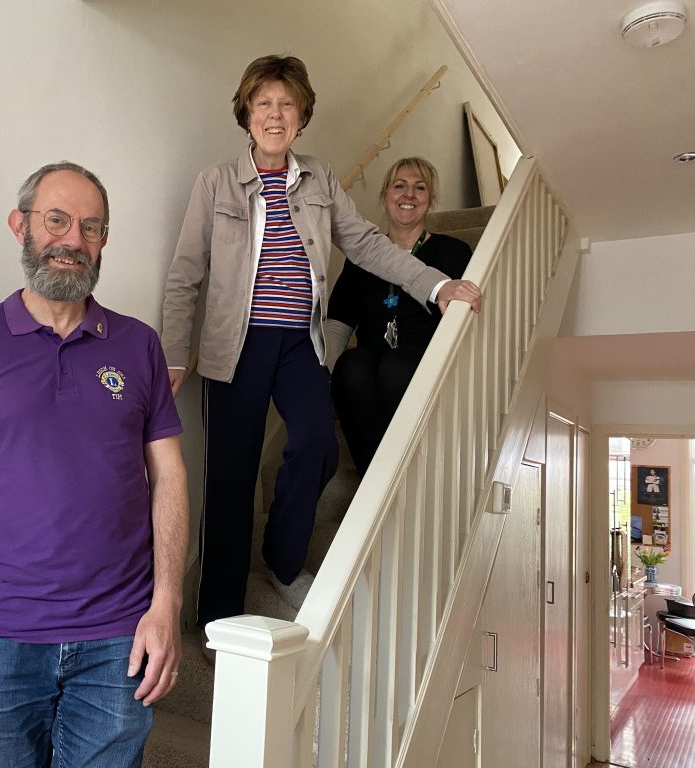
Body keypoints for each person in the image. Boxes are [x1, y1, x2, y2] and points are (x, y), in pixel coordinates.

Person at [0, 161, 189, 767]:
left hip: (120, 638)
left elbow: (170, 478)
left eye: (91, 227)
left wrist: (168, 604)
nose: (72, 240)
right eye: (56, 220)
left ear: (104, 240)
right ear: (19, 225)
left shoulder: (138, 345)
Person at [160, 55, 481, 631]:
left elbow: (366, 245)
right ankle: (217, 617)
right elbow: (186, 272)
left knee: (317, 445)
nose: (275, 115)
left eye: (287, 105)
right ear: (247, 114)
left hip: (298, 344)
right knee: (230, 478)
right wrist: (173, 353)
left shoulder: (321, 179)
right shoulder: (216, 183)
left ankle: (281, 561)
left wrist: (435, 285)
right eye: (264, 104)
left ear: (302, 116)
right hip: (235, 347)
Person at [326, 157, 473, 476]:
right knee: (349, 366)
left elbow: (467, 318)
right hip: (372, 362)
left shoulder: (454, 252)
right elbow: (338, 322)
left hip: (425, 361)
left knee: (395, 366)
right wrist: (322, 380)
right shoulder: (361, 257)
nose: (409, 195)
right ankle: (374, 480)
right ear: (384, 197)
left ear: (430, 200)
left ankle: (408, 474)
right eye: (400, 186)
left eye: (420, 188)